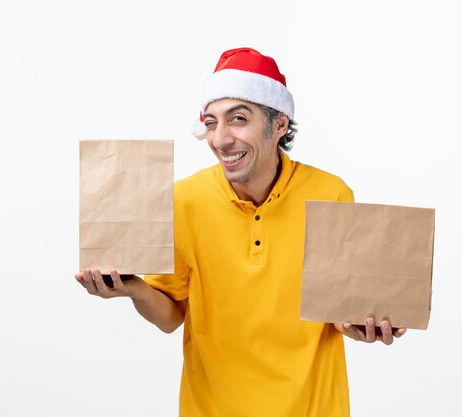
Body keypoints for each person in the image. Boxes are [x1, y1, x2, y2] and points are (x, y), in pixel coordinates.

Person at [75, 47, 406, 417]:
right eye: (212, 122)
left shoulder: (331, 194)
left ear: (279, 124)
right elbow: (170, 318)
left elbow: (337, 313)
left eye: (237, 119)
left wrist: (361, 325)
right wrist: (135, 289)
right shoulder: (184, 200)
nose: (220, 139)